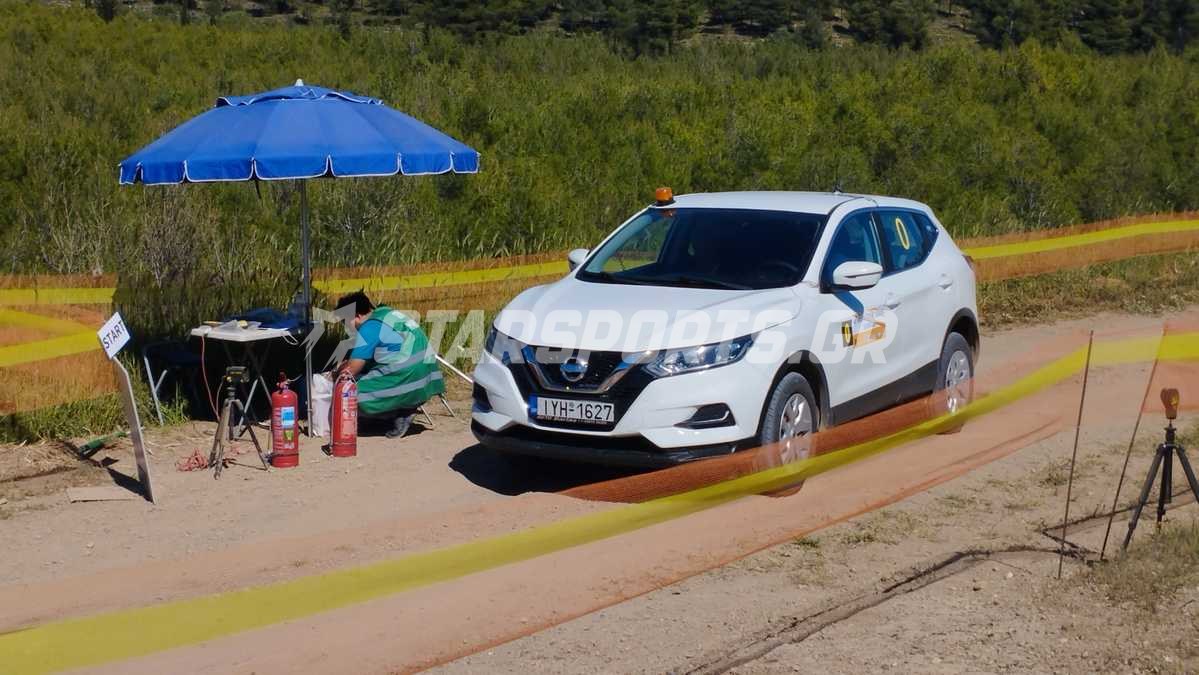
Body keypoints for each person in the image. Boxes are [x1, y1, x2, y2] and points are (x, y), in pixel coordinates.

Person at [334, 291, 445, 439]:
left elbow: (351, 370)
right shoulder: (388, 314)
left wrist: (336, 372)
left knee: (347, 394)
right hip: (426, 380)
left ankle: (398, 414)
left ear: (358, 316)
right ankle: (398, 409)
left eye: (345, 322)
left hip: (409, 379)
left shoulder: (370, 327)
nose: (346, 328)